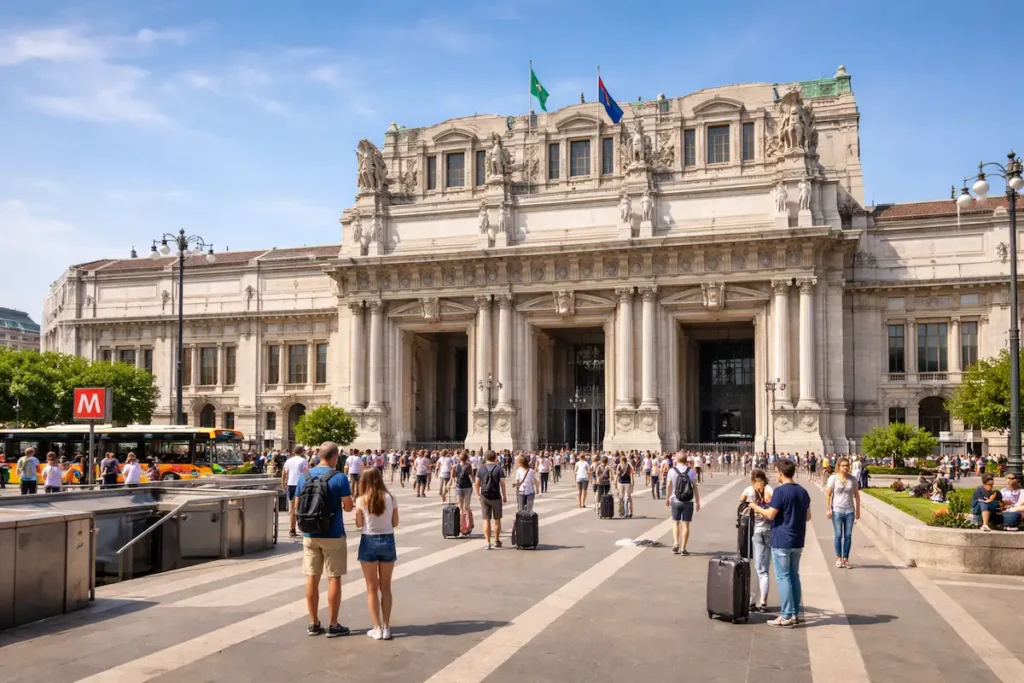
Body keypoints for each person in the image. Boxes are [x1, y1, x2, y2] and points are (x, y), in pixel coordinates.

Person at [296, 441, 354, 638]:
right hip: (333, 533)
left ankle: (313, 623)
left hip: (309, 534)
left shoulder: (304, 477)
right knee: (334, 577)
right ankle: (333, 624)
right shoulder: (339, 478)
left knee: (311, 577)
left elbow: (297, 506)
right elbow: (348, 507)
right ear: (335, 457)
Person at [749, 459, 811, 628]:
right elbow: (808, 517)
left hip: (782, 539)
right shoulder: (803, 491)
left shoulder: (780, 492)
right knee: (794, 576)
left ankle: (785, 615)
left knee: (783, 577)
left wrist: (755, 506)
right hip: (798, 539)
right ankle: (795, 613)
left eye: (776, 472)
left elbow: (770, 515)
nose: (775, 475)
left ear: (781, 473)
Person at [354, 467, 398, 641]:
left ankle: (377, 628)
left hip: (369, 540)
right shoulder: (390, 497)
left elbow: (358, 524)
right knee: (386, 587)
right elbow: (395, 522)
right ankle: (387, 627)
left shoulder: (361, 500)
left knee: (371, 588)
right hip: (387, 540)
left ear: (363, 482)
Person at [740, 469, 773, 612]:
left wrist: (750, 504)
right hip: (770, 530)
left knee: (759, 569)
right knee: (765, 568)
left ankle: (753, 602)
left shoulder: (749, 489)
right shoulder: (769, 488)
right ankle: (763, 601)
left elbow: (741, 500)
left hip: (757, 530)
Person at [825, 457, 861, 568]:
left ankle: (845, 558)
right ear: (839, 467)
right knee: (838, 535)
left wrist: (858, 510)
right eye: (843, 465)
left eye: (847, 465)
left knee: (848, 536)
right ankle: (838, 558)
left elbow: (857, 495)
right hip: (837, 510)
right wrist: (828, 509)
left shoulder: (853, 479)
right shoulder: (833, 478)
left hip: (849, 510)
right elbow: (828, 494)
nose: (846, 467)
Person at [666, 453, 699, 555]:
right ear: (686, 460)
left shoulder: (672, 471)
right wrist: (697, 501)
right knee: (686, 525)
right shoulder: (691, 471)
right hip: (688, 501)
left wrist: (667, 498)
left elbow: (668, 485)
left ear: (676, 459)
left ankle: (676, 542)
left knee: (675, 522)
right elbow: (695, 487)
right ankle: (683, 549)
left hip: (675, 500)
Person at [474, 450, 507, 550]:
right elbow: (502, 483)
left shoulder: (481, 468)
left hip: (484, 496)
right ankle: (496, 540)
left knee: (486, 519)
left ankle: (487, 542)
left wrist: (478, 495)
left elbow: (477, 483)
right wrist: (504, 495)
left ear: (485, 458)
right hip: (496, 496)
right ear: (495, 458)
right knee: (497, 520)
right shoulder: (499, 468)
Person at [283, 446, 310, 538]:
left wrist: (283, 483)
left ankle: (292, 529)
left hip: (290, 485)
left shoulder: (288, 461)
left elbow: (284, 472)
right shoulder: (303, 461)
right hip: (300, 485)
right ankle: (303, 527)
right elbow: (306, 473)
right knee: (301, 507)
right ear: (302, 452)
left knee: (292, 508)